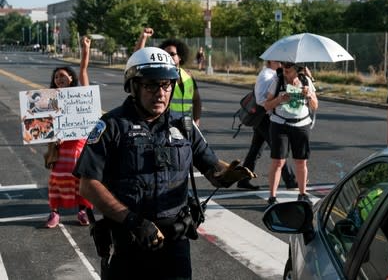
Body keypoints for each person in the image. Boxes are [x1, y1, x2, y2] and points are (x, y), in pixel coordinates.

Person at [73, 47, 255, 280]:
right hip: (129, 239)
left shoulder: (184, 126)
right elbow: (88, 185)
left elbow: (212, 168)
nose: (160, 93)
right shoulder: (111, 126)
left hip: (175, 242)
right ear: (134, 87)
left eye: (166, 85)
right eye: (151, 85)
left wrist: (228, 173)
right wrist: (134, 222)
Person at [45, 36, 93, 228]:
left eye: (63, 76)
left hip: (78, 145)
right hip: (60, 147)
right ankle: (54, 212)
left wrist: (85, 49)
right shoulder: (49, 100)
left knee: (80, 179)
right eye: (56, 77)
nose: (59, 79)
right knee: (57, 180)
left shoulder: (80, 94)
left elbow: (83, 70)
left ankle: (82, 211)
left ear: (71, 78)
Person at [237, 60, 298, 190]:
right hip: (264, 118)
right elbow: (260, 99)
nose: (281, 63)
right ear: (271, 61)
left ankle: (243, 180)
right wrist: (274, 102)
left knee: (255, 151)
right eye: (278, 60)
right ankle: (290, 180)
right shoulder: (266, 75)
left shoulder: (274, 74)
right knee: (279, 150)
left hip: (264, 118)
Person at [264, 62, 319, 205]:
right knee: (278, 161)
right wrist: (279, 99)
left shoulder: (305, 81)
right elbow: (266, 105)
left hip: (301, 125)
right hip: (280, 124)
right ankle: (272, 197)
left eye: (289, 70)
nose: (285, 73)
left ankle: (302, 194)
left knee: (301, 161)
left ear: (297, 70)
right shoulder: (277, 81)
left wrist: (309, 95)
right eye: (284, 70)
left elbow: (315, 106)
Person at [135, 28, 202, 126]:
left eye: (172, 54)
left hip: (187, 127)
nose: (169, 56)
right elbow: (138, 60)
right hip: (166, 126)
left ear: (180, 57)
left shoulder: (188, 76)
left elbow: (197, 100)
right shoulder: (160, 75)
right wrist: (143, 37)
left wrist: (196, 122)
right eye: (166, 54)